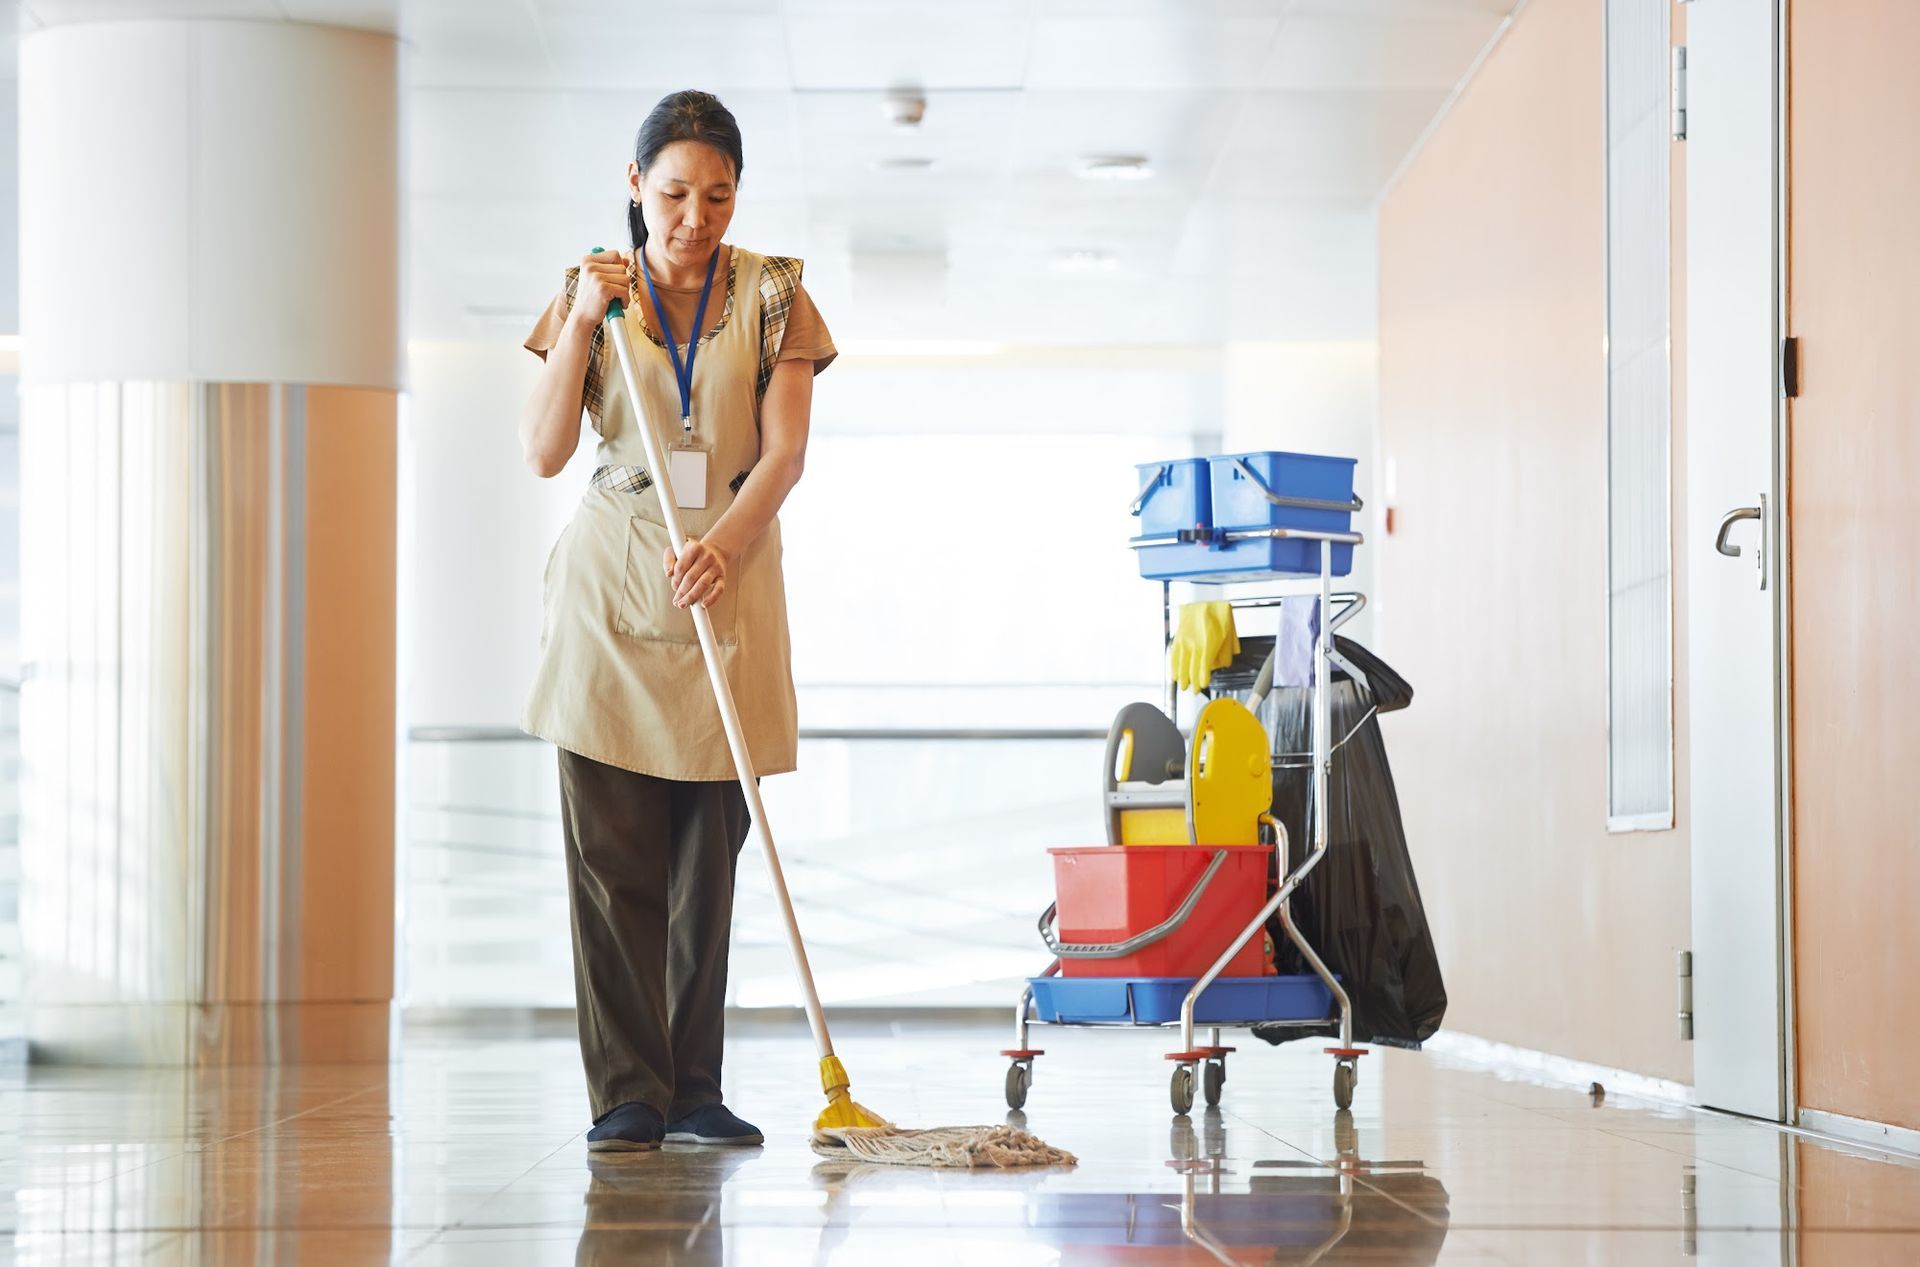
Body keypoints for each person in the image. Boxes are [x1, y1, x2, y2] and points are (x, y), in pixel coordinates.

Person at [516, 89, 836, 1152]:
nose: (695, 216)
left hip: (727, 585)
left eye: (717, 195)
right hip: (614, 590)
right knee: (614, 870)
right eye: (673, 194)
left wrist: (726, 545)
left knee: (708, 866)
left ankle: (695, 1088)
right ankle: (627, 1092)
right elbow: (546, 448)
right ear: (634, 186)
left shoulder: (775, 293)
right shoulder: (590, 294)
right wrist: (575, 323)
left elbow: (783, 451)